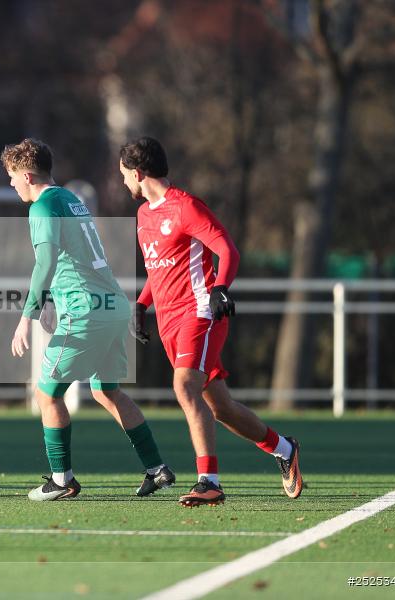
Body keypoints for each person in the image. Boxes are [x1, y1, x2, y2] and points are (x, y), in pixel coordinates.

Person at [118, 136, 303, 507]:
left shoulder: (185, 207)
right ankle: (284, 448)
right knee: (220, 408)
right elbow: (160, 270)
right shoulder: (143, 215)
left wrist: (220, 288)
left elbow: (226, 249)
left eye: (124, 174)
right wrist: (140, 305)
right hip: (170, 322)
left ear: (138, 173)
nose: (123, 182)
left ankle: (209, 481)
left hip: (200, 312)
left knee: (184, 386)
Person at [2, 138, 176, 501]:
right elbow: (71, 258)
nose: (11, 184)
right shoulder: (70, 199)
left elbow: (47, 263)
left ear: (28, 175)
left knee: (46, 394)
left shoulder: (42, 208)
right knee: (106, 390)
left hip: (86, 311)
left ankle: (62, 479)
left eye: (13, 177)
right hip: (113, 304)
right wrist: (52, 299)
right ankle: (156, 468)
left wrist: (27, 315)